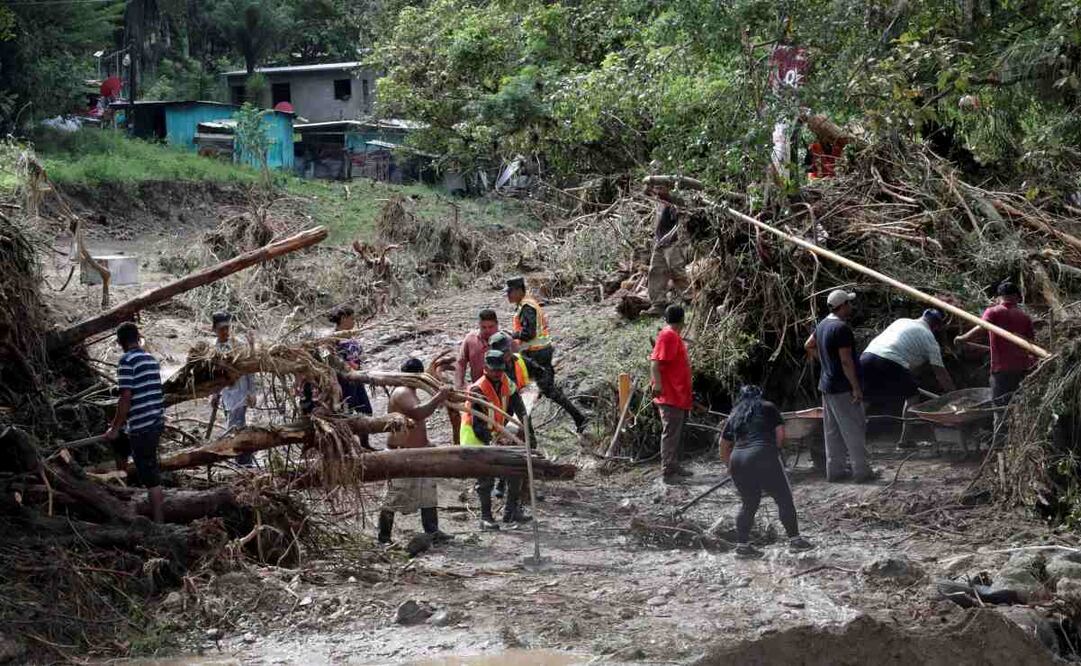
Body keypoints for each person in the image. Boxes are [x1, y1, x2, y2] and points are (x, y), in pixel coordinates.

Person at [719, 385, 814, 558]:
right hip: (763, 454)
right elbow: (780, 435)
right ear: (760, 395)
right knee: (783, 498)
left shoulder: (734, 414)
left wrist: (730, 467)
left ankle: (742, 547)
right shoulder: (768, 407)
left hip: (738, 458)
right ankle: (795, 541)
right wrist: (773, 453)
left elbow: (724, 445)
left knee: (748, 503)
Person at [804, 289, 877, 483]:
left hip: (827, 386)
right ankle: (862, 471)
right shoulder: (841, 329)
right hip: (843, 387)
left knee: (832, 431)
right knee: (853, 429)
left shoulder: (822, 325)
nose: (851, 307)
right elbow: (846, 361)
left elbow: (808, 345)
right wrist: (856, 387)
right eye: (849, 304)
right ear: (843, 305)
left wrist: (826, 363)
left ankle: (835, 471)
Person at [377, 358, 451, 545]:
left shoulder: (410, 391)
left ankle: (432, 531)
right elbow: (417, 413)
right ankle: (384, 537)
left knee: (428, 494)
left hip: (418, 452)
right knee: (393, 497)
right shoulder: (402, 391)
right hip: (402, 454)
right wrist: (438, 397)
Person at [459, 350, 532, 530]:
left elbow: (519, 408)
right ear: (485, 368)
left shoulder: (507, 381)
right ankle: (486, 518)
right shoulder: (478, 389)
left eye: (500, 370)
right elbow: (478, 425)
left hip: (495, 432)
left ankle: (510, 512)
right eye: (494, 371)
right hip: (475, 437)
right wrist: (493, 442)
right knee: (486, 479)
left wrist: (526, 429)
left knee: (515, 469)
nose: (498, 374)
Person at [505, 277, 588, 433]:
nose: (507, 296)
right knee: (539, 389)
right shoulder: (526, 304)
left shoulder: (527, 307)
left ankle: (578, 418)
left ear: (517, 290)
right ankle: (577, 418)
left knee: (533, 389)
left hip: (536, 353)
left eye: (509, 292)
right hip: (538, 351)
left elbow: (529, 333)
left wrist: (512, 335)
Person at [861, 309, 955, 446]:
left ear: (922, 316)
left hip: (867, 357)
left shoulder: (902, 321)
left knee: (864, 400)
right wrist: (953, 395)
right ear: (936, 327)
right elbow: (941, 373)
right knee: (912, 397)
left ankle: (850, 440)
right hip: (891, 361)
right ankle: (905, 441)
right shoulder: (929, 338)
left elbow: (904, 351)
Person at [955, 281, 1037, 436]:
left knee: (999, 409)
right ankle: (1019, 440)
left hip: (1001, 370)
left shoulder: (994, 312)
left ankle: (999, 444)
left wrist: (963, 338)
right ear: (1016, 297)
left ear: (1000, 297)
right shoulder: (1024, 317)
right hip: (1022, 369)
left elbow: (981, 327)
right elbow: (1031, 344)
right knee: (1018, 406)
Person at [104, 322, 165, 523]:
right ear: (138, 338)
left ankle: (160, 525)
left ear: (120, 342)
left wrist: (114, 428)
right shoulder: (151, 360)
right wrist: (118, 430)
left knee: (150, 476)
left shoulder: (126, 361)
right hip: (154, 421)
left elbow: (126, 398)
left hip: (142, 426)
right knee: (120, 444)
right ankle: (124, 490)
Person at [487, 330, 537, 500]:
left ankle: (525, 487)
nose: (506, 355)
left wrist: (525, 422)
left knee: (529, 442)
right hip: (498, 414)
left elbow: (516, 397)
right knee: (504, 447)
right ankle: (500, 484)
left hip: (517, 406)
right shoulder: (493, 369)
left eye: (507, 352)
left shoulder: (517, 361)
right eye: (503, 353)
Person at [650, 304, 693, 483]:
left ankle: (673, 465)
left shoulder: (671, 335)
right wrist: (658, 384)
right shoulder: (668, 335)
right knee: (670, 433)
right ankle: (668, 472)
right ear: (683, 320)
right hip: (670, 394)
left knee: (675, 432)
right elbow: (654, 362)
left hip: (678, 394)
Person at [210, 312, 257, 466]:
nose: (225, 331)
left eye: (227, 328)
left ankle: (244, 462)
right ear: (214, 329)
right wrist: (215, 394)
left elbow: (249, 369)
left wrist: (252, 392)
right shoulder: (213, 349)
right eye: (222, 328)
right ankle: (242, 461)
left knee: (236, 428)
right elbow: (213, 376)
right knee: (235, 427)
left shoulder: (238, 345)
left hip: (240, 394)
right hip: (227, 396)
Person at [329, 306, 373, 448]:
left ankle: (365, 444)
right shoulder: (333, 339)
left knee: (365, 410)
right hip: (344, 382)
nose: (354, 321)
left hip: (357, 379)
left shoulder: (350, 336)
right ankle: (349, 447)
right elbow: (332, 360)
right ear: (343, 318)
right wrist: (347, 367)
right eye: (352, 318)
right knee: (346, 413)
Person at [645, 182, 689, 315]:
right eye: (656, 188)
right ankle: (658, 304)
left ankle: (690, 299)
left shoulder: (675, 203)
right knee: (656, 271)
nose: (657, 191)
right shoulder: (660, 201)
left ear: (668, 189)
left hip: (673, 242)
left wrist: (669, 236)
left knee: (676, 270)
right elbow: (645, 190)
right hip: (660, 243)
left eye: (660, 188)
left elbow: (680, 224)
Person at [455, 309, 500, 389]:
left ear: (497, 324)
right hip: (478, 389)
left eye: (491, 327)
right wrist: (459, 384)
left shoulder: (506, 340)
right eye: (484, 327)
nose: (487, 330)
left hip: (501, 388)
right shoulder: (470, 339)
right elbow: (461, 363)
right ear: (479, 325)